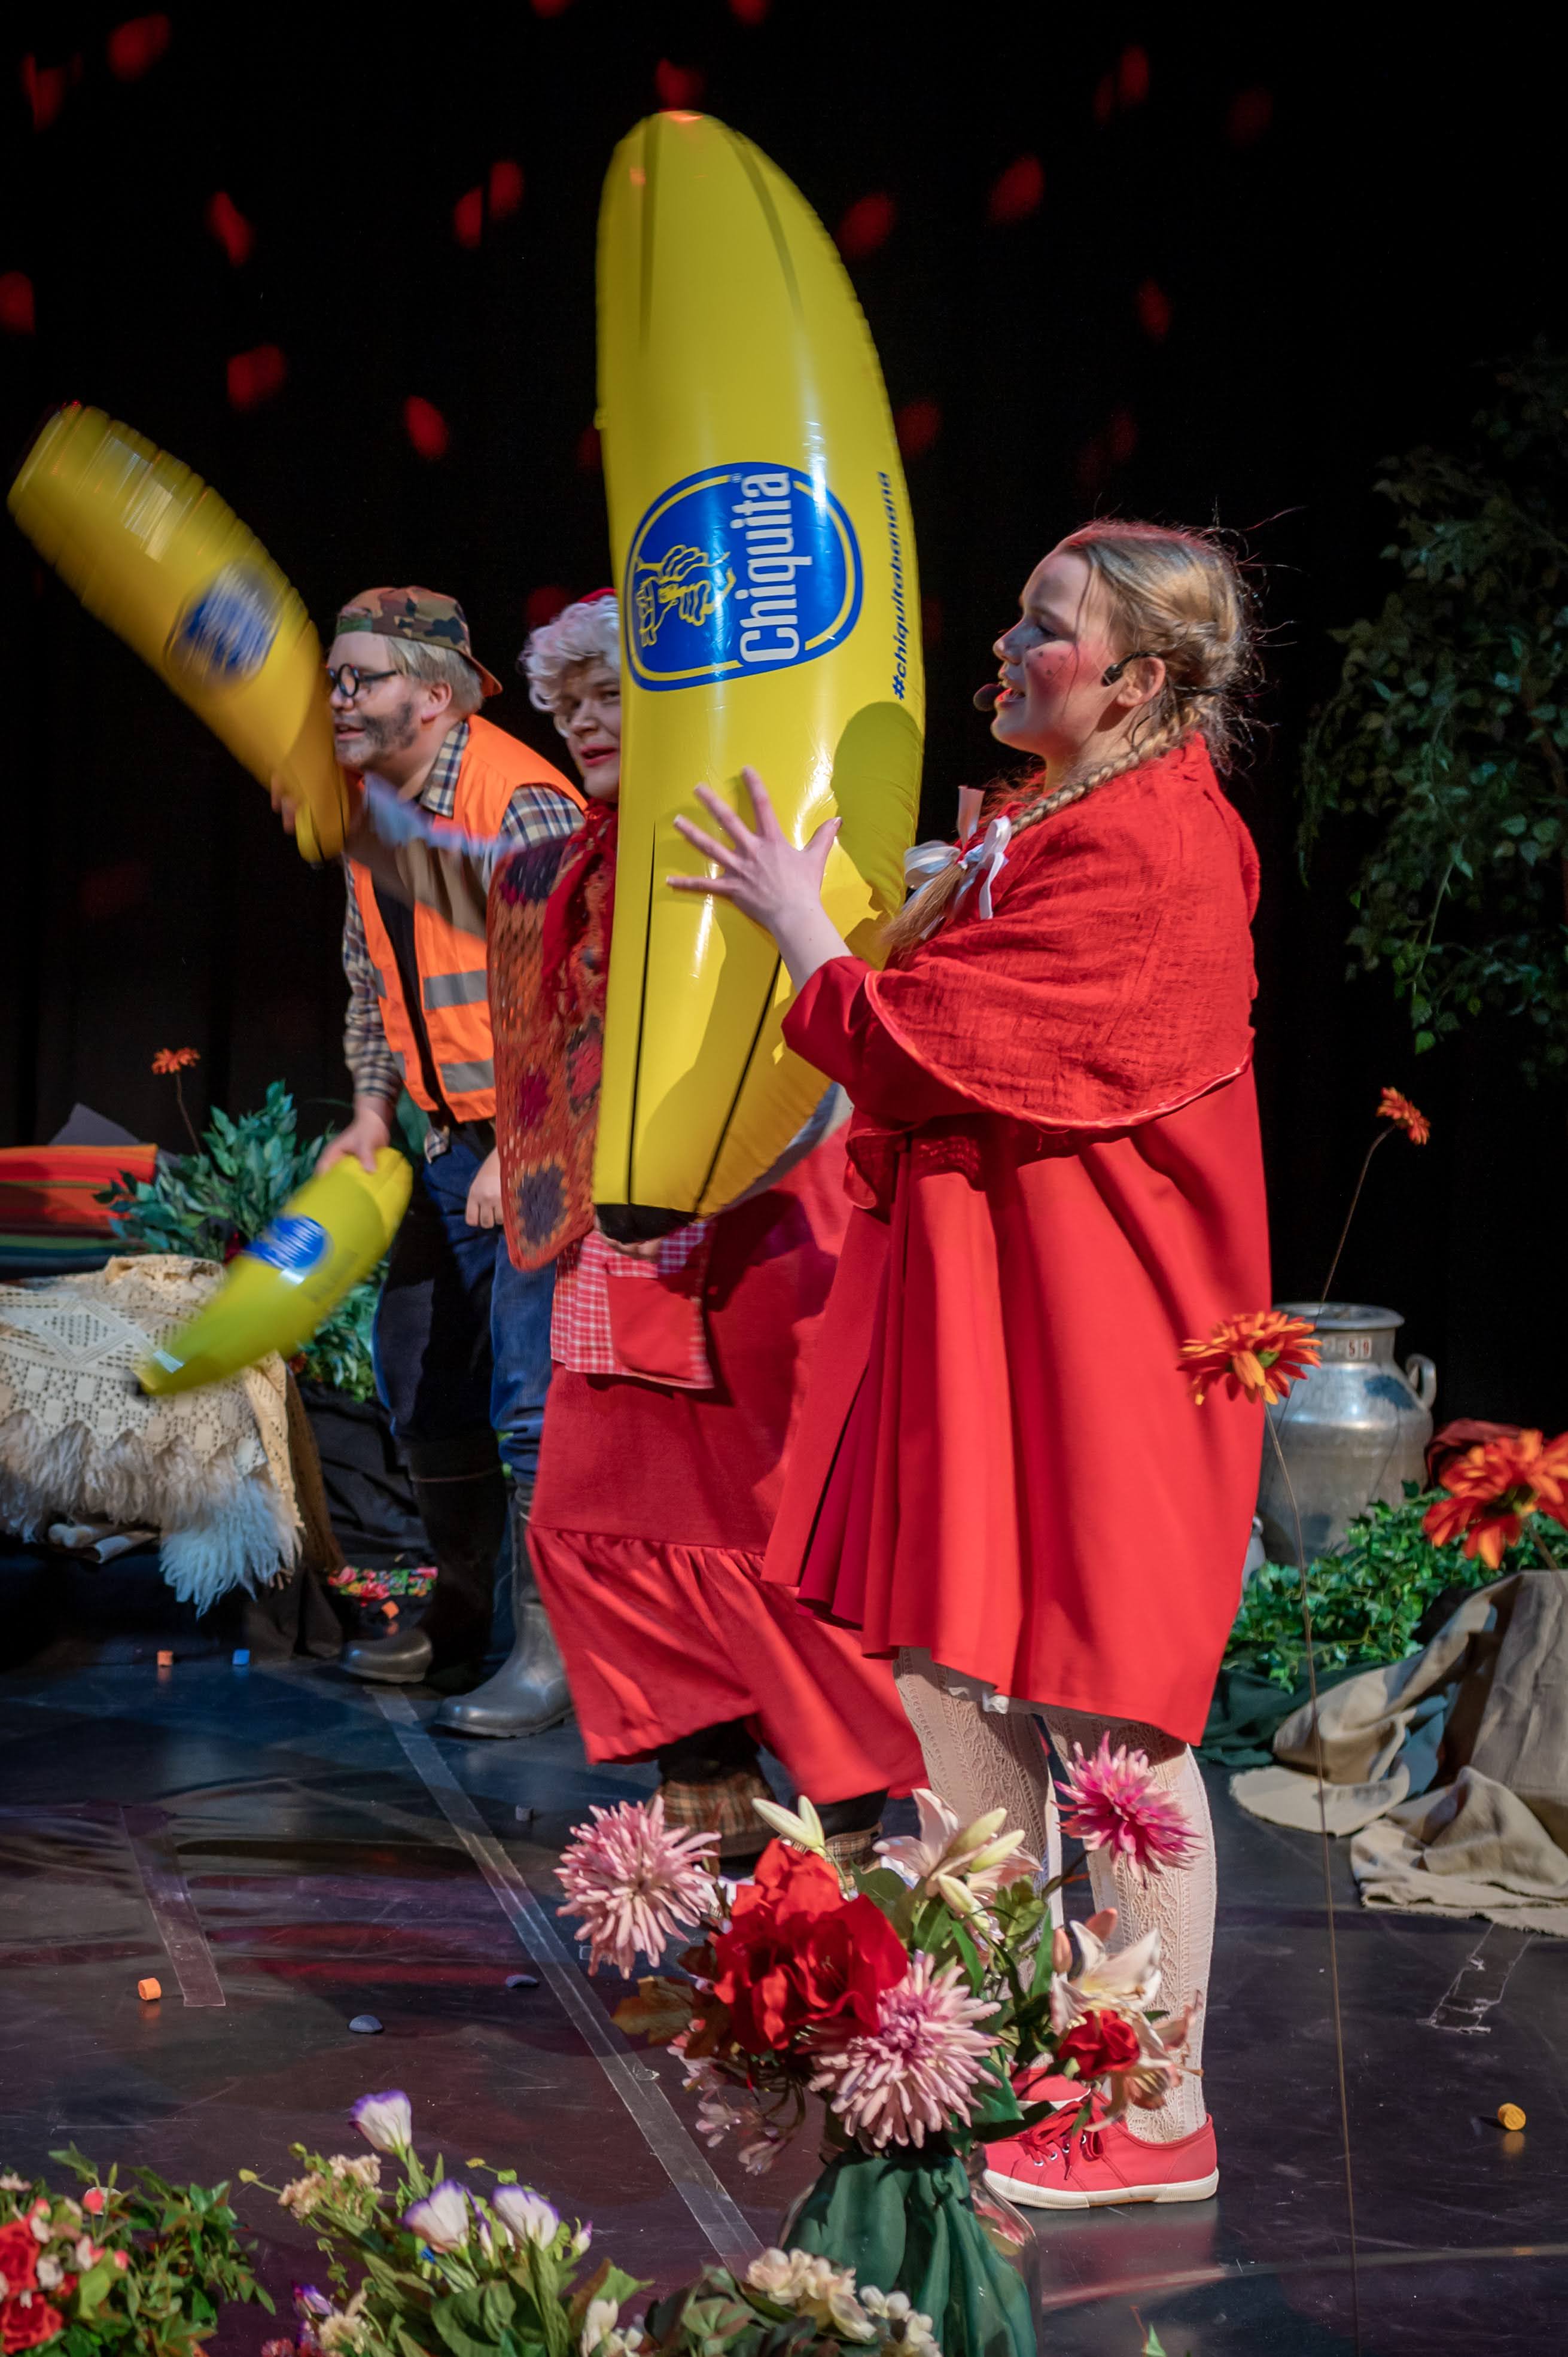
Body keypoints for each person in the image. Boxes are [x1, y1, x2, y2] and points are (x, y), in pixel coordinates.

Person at [669, 523, 1269, 2200]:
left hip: (1102, 1325)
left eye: (1046, 625)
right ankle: (1002, 2040)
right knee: (953, 1669)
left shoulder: (1156, 845)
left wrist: (803, 924)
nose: (1008, 646)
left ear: (1137, 679)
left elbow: (932, 1041)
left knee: (1108, 1704)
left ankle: (1157, 2109)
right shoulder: (1054, 812)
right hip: (990, 1301)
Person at [356, 591, 922, 1860]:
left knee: (759, 1518)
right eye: (567, 703)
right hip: (618, 1230)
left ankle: (844, 1821)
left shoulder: (735, 834)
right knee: (601, 1495)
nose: (584, 721)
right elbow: (485, 900)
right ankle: (707, 1793)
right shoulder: (579, 856)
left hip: (758, 1226)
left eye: (613, 694)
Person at [306, 586, 583, 1698]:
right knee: (417, 1374)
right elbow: (370, 982)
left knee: (530, 1397)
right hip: (441, 1141)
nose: (337, 698)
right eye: (332, 679)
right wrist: (373, 1112)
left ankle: (551, 1656)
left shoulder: (521, 801)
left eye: (359, 678)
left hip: (540, 1135)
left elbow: (573, 993)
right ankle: (464, 1615)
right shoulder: (371, 806)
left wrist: (523, 1144)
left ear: (432, 694)